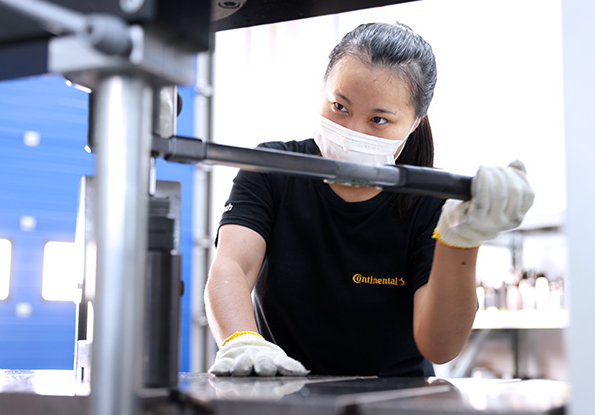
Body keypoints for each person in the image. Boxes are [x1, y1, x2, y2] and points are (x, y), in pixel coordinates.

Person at [204, 22, 534, 377]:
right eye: (340, 106)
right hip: (283, 385)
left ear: (413, 123)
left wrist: (462, 242)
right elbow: (232, 267)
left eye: (378, 119)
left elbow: (439, 346)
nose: (352, 131)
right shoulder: (271, 170)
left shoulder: (430, 203)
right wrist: (241, 341)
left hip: (396, 400)